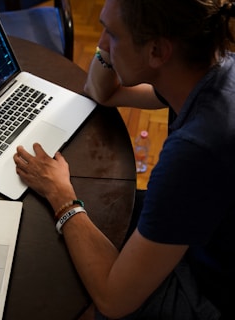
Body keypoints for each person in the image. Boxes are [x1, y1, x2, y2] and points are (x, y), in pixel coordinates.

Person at [13, 0, 235, 319]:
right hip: (209, 234)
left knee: (81, 304)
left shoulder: (194, 151)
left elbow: (114, 301)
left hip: (212, 293)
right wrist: (113, 43)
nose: (101, 44)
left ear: (157, 52)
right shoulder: (210, 68)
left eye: (112, 35)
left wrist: (60, 194)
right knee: (100, 213)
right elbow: (102, 93)